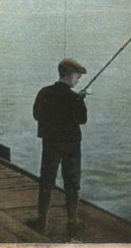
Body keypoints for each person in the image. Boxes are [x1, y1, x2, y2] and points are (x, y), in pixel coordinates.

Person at [27, 59, 88, 237]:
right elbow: (82, 119)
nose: (78, 80)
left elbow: (36, 114)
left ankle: (41, 221)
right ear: (70, 75)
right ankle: (72, 222)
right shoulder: (74, 97)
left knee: (46, 182)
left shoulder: (44, 92)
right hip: (71, 144)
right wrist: (80, 100)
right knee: (71, 183)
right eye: (77, 77)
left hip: (50, 142)